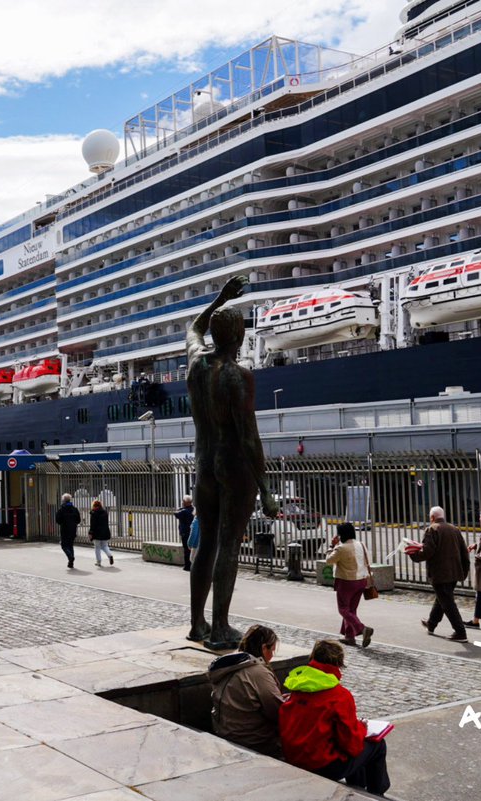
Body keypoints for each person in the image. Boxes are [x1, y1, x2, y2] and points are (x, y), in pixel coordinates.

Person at [186, 275, 279, 646]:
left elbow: (192, 328)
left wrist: (219, 298)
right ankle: (220, 627)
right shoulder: (239, 376)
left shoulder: (195, 363)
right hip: (232, 466)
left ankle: (197, 624)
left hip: (204, 464)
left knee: (205, 544)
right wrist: (266, 489)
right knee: (228, 543)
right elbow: (249, 437)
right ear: (239, 338)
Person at [280, 640, 391, 796]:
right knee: (377, 745)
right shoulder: (340, 696)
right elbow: (352, 745)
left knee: (352, 747)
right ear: (338, 664)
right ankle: (376, 794)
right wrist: (362, 728)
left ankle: (358, 787)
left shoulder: (297, 687)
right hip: (321, 765)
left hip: (294, 756)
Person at [207, 624, 284, 758]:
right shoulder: (257, 672)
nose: (272, 655)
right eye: (272, 650)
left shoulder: (230, 664)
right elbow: (277, 711)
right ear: (264, 648)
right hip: (252, 740)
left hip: (225, 731)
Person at [409, 506, 471, 642]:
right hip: (454, 572)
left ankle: (460, 632)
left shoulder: (432, 529)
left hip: (440, 573)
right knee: (442, 598)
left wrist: (412, 553)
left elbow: (427, 551)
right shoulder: (454, 529)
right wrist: (464, 570)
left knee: (447, 602)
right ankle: (431, 624)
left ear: (432, 518)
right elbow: (464, 552)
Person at [325, 523, 375, 648]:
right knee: (351, 610)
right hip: (362, 580)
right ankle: (349, 637)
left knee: (343, 609)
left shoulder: (341, 548)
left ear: (341, 535)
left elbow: (329, 560)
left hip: (346, 581)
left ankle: (362, 628)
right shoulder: (361, 544)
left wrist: (332, 545)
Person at [55, 493, 81, 569]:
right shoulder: (75, 509)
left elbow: (58, 520)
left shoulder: (61, 509)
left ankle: (70, 557)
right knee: (70, 545)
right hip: (73, 529)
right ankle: (71, 562)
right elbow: (78, 520)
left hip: (64, 529)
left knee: (64, 545)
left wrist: (63, 522)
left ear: (63, 501)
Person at [89, 499, 114, 567]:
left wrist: (91, 533)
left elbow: (92, 525)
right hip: (105, 531)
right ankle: (110, 555)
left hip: (97, 532)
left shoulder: (94, 513)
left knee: (97, 547)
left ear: (94, 506)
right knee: (105, 546)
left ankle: (98, 561)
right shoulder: (105, 512)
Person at [174, 496, 195, 570]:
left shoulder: (184, 511)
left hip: (185, 533)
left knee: (186, 550)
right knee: (192, 549)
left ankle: (187, 566)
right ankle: (191, 564)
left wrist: (180, 508)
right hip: (192, 531)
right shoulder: (193, 509)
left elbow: (176, 513)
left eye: (183, 501)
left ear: (186, 502)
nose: (182, 502)